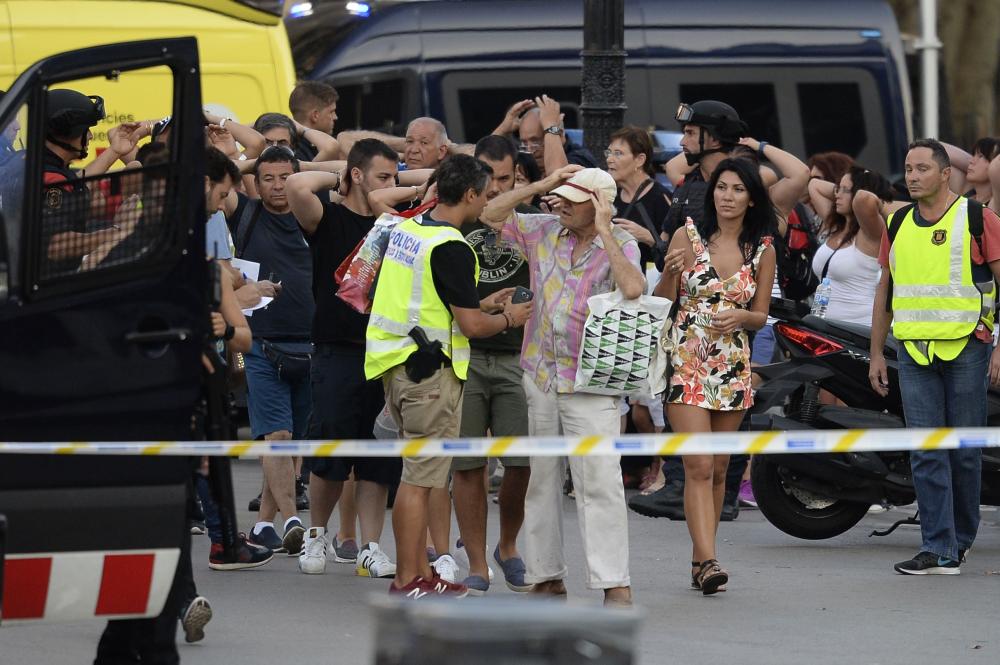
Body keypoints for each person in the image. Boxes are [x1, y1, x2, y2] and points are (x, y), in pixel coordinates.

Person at [364, 154, 533, 599]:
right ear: (471, 194)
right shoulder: (453, 247)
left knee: (416, 474)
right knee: (419, 480)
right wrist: (510, 318)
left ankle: (417, 571)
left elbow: (435, 298)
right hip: (430, 375)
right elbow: (473, 327)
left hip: (397, 365)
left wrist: (487, 302)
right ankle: (408, 579)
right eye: (487, 193)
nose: (488, 202)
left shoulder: (408, 229)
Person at [481, 165, 643, 608]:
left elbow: (633, 287)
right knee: (541, 479)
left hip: (590, 382)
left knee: (600, 483)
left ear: (600, 205)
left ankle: (614, 582)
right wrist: (542, 185)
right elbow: (491, 214)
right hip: (541, 374)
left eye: (574, 198)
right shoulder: (543, 229)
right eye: (563, 197)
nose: (562, 205)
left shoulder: (622, 243)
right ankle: (546, 575)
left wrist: (607, 230)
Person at [869, 139, 1000, 575]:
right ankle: (938, 545)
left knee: (963, 452)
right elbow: (885, 290)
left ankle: (959, 540)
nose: (911, 176)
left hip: (967, 347)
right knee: (925, 451)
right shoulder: (897, 222)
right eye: (908, 168)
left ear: (946, 174)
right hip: (913, 351)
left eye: (922, 168)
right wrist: (875, 353)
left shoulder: (978, 219)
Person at [653, 158, 776, 594]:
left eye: (737, 189)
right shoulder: (689, 234)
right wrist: (670, 271)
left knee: (720, 468)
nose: (727, 196)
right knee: (699, 464)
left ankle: (698, 559)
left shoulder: (761, 250)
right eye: (721, 187)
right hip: (687, 359)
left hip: (732, 365)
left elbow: (761, 315)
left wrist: (743, 315)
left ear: (751, 198)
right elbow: (661, 301)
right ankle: (709, 561)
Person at [285, 138, 404, 578]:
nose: (391, 186)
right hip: (337, 350)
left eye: (395, 177)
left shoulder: (397, 225)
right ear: (356, 175)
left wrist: (392, 184)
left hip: (387, 352)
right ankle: (316, 535)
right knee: (332, 450)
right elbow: (298, 185)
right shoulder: (329, 218)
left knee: (377, 454)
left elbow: (430, 180)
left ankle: (371, 546)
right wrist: (343, 169)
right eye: (382, 177)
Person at [630, 101, 752, 521]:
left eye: (691, 131)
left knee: (717, 455)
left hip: (726, 332)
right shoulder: (694, 180)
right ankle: (688, 492)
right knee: (697, 449)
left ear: (713, 136)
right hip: (686, 333)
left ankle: (723, 496)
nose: (681, 141)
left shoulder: (727, 184)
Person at [439, 135, 535, 595]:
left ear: (517, 177)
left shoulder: (534, 225)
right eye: (486, 177)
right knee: (468, 466)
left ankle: (508, 546)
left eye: (503, 178)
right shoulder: (455, 224)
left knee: (521, 464)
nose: (494, 189)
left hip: (521, 357)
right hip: (468, 353)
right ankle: (477, 562)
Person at [221, 145, 311, 556]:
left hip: (312, 344)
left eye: (285, 177)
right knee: (277, 436)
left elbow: (340, 162)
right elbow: (220, 181)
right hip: (260, 345)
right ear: (255, 183)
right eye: (268, 178)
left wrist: (301, 173)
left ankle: (261, 527)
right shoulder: (247, 212)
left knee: (292, 441)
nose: (277, 186)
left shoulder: (313, 214)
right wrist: (247, 168)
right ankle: (293, 519)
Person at [42, 88, 146, 275]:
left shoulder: (48, 168)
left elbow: (76, 185)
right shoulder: (50, 180)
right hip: (54, 286)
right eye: (85, 130)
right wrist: (119, 232)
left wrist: (115, 150)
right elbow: (56, 246)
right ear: (68, 130)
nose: (90, 136)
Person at [808, 165, 894, 324]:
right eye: (837, 190)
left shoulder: (870, 233)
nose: (837, 196)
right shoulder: (835, 226)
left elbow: (865, 200)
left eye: (845, 190)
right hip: (824, 328)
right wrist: (844, 187)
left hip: (858, 331)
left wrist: (864, 180)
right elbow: (814, 185)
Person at [499, 96, 597, 176]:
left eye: (535, 141)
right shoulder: (523, 164)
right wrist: (502, 130)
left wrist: (550, 126)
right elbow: (487, 168)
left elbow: (558, 179)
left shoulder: (581, 158)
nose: (529, 150)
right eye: (524, 143)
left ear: (561, 133)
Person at [288, 80, 342, 162]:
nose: (335, 117)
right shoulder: (298, 152)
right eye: (331, 112)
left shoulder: (289, 146)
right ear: (315, 116)